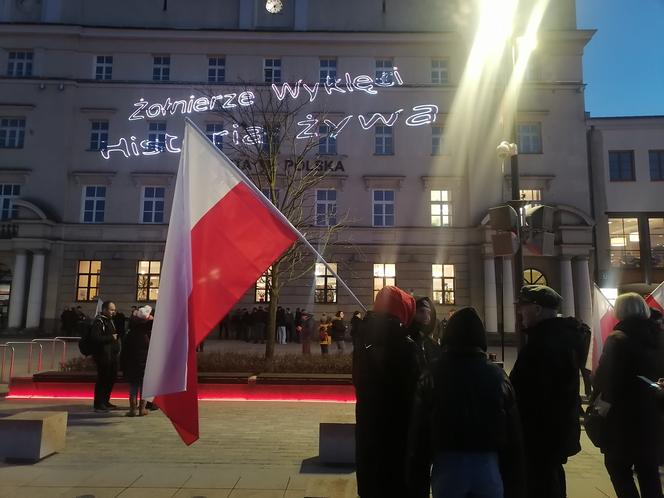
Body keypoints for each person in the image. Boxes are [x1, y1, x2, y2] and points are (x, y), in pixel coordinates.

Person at [409, 307, 525, 498]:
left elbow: (419, 435)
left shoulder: (432, 374)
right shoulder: (498, 377)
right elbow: (514, 437)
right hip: (487, 465)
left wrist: (416, 483)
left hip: (447, 464)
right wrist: (516, 484)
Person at [509, 285, 581, 498]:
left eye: (523, 306)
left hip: (539, 437)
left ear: (537, 309)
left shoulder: (542, 345)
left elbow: (528, 394)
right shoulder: (559, 338)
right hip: (555, 435)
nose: (520, 312)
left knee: (541, 485)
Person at [593, 293, 664, 498]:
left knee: (617, 467)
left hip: (623, 418)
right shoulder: (658, 337)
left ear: (620, 311)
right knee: (648, 471)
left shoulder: (618, 339)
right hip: (653, 414)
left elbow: (607, 380)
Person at [353, 285, 418, 498]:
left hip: (368, 430)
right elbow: (413, 394)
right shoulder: (405, 345)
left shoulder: (362, 340)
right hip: (398, 435)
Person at [123, 305, 153, 417]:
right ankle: (142, 409)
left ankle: (132, 410)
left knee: (133, 387)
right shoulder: (147, 334)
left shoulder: (130, 333)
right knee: (145, 388)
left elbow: (125, 351)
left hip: (132, 364)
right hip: (145, 364)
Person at [91, 300, 120, 413]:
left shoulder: (110, 321)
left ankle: (106, 401)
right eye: (111, 309)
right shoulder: (99, 322)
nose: (113, 312)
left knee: (110, 379)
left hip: (112, 356)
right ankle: (99, 403)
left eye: (114, 310)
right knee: (103, 379)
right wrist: (111, 338)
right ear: (104, 309)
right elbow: (95, 338)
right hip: (103, 356)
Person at [409, 297, 441, 374]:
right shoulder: (406, 342)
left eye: (428, 312)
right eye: (421, 311)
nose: (426, 316)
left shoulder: (433, 345)